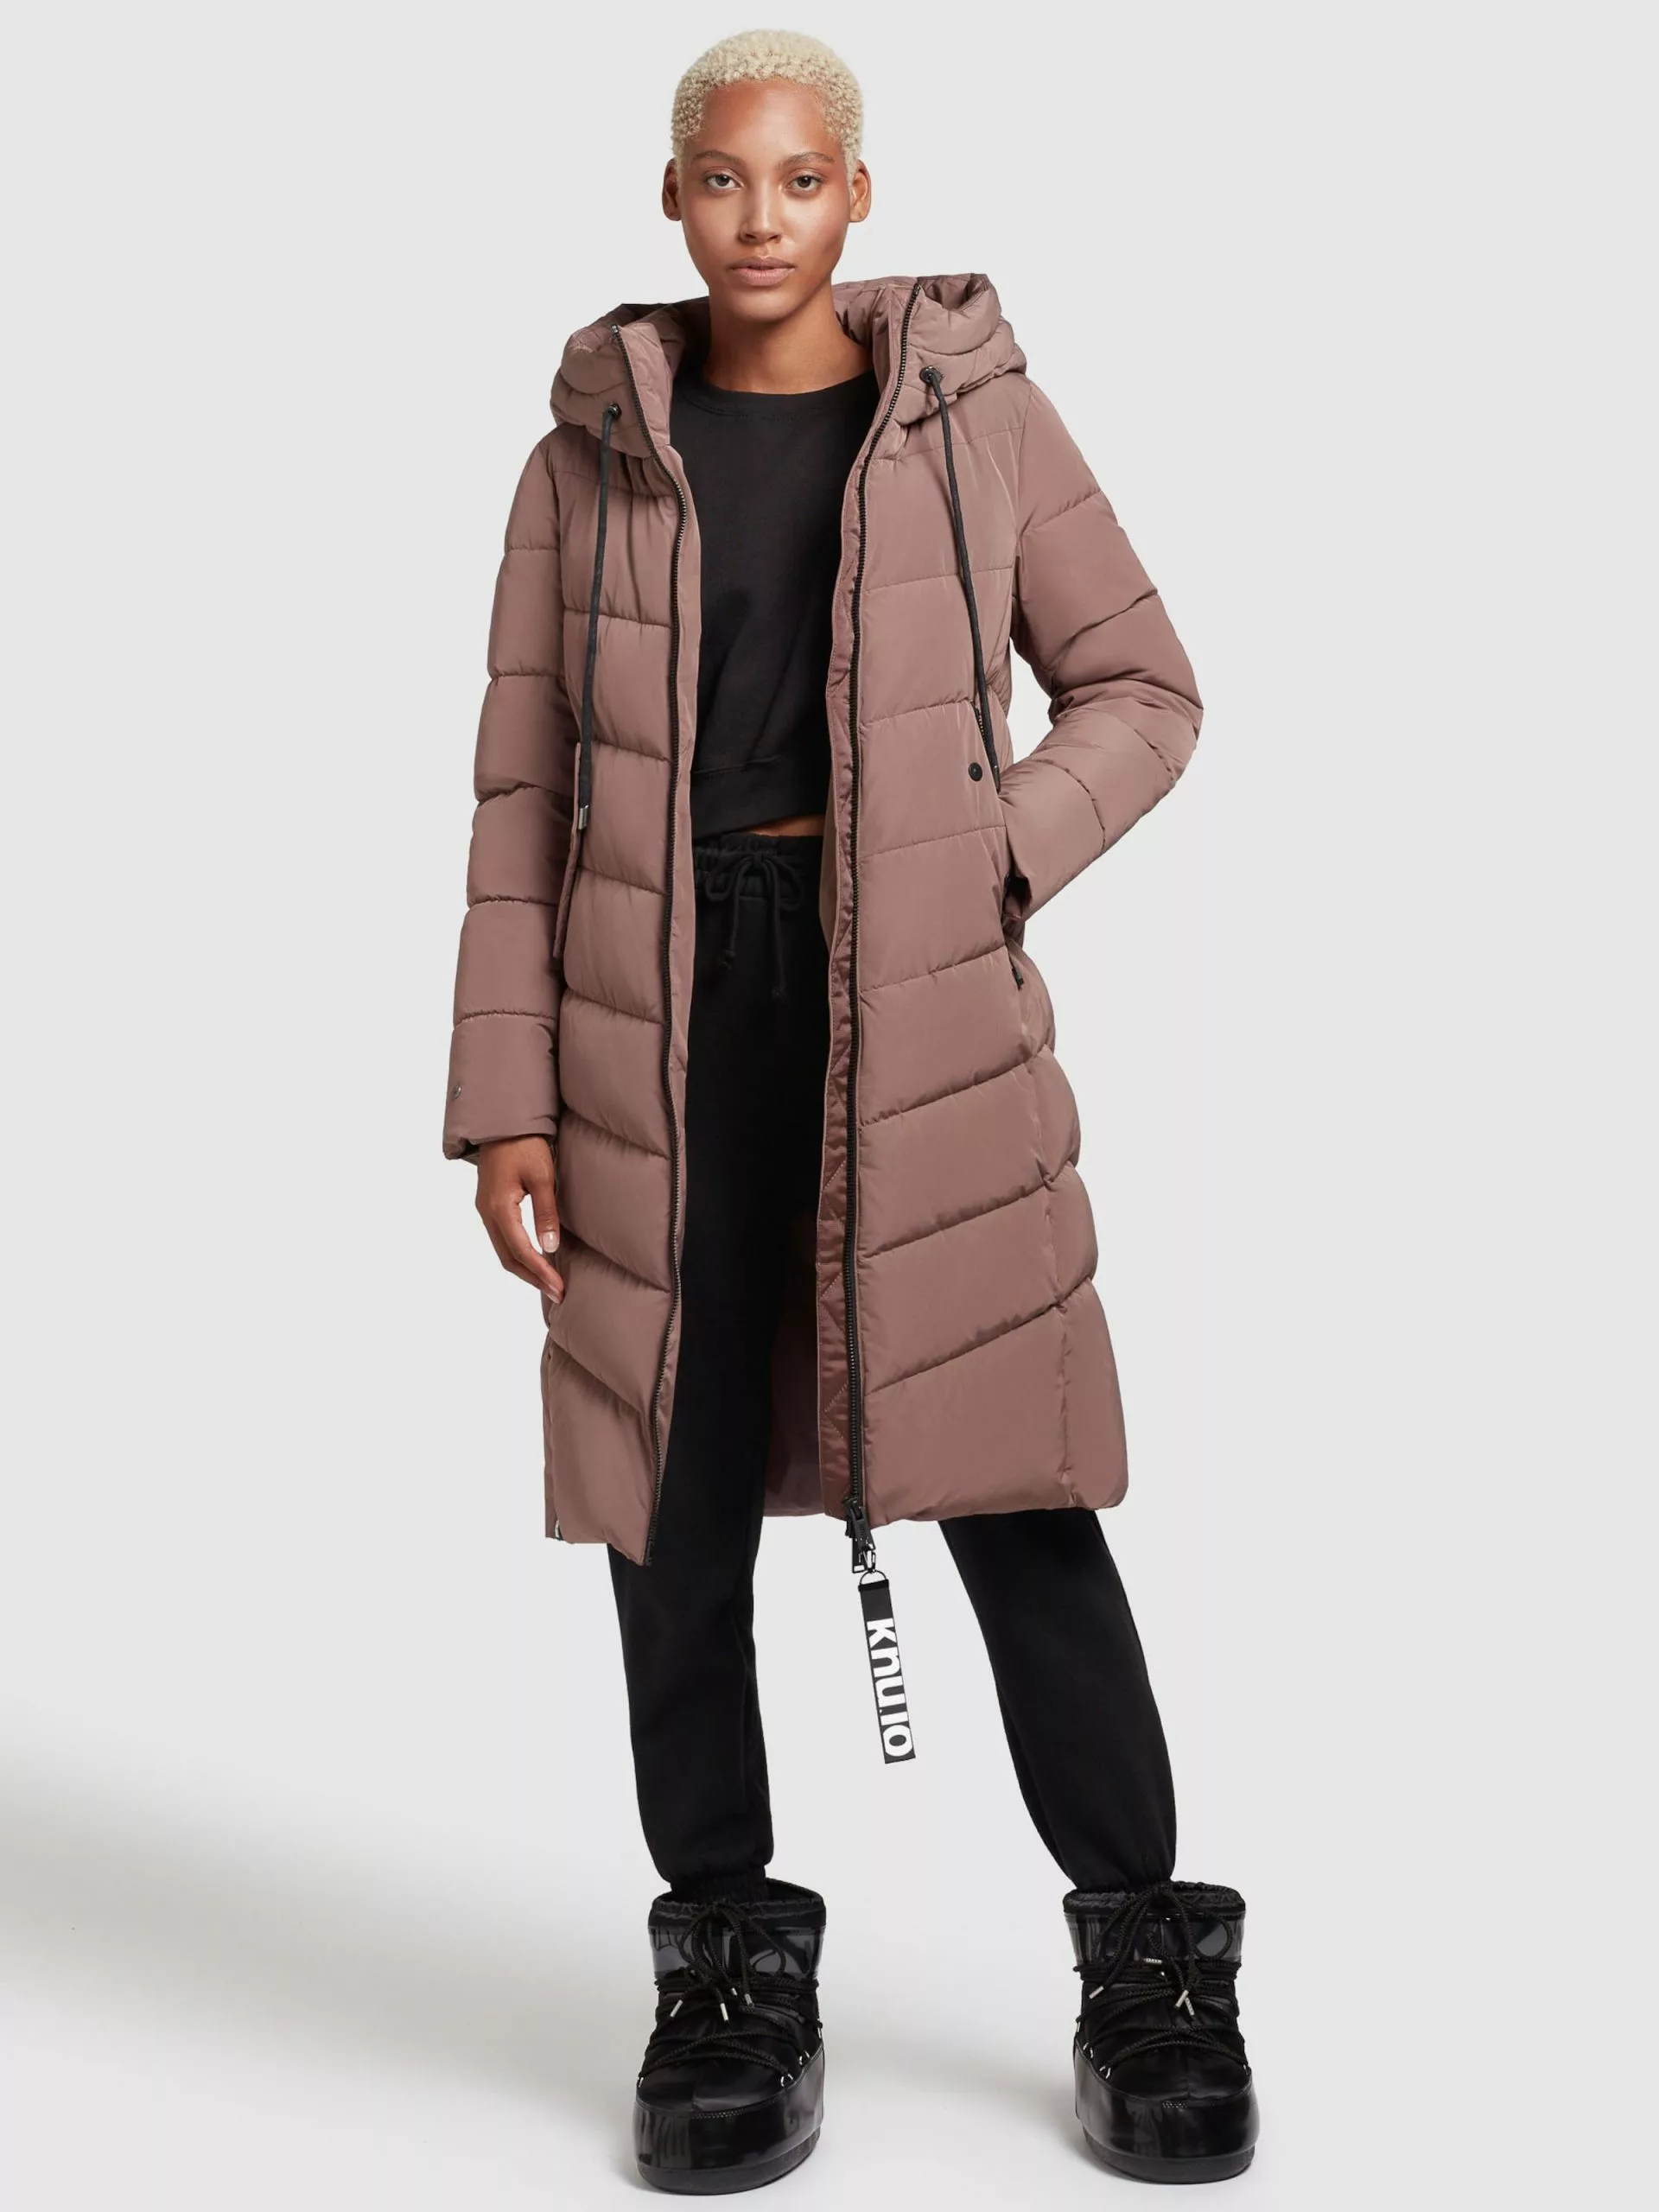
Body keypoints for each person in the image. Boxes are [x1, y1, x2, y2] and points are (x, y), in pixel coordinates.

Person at [442, 26, 1259, 2193]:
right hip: (655, 1005)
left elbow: (1146, 686)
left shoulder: (974, 416)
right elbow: (523, 792)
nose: (762, 217)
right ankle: (723, 1954)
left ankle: (1150, 1956)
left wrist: (987, 855)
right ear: (674, 195)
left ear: (860, 197)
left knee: (1008, 1470)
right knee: (671, 1484)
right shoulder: (584, 459)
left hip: (915, 994)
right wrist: (504, 1092)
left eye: (803, 179)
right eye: (724, 178)